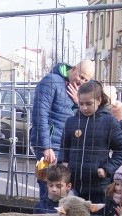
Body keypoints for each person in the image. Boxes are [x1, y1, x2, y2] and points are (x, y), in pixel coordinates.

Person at [31, 59, 95, 200]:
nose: (81, 81)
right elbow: (39, 115)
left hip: (66, 149)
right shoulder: (51, 81)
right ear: (73, 69)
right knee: (48, 191)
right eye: (81, 76)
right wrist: (45, 146)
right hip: (49, 148)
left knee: (63, 193)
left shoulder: (77, 91)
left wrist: (78, 103)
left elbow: (84, 119)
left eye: (86, 79)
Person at [61, 80, 122, 204]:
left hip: (98, 188)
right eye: (81, 104)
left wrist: (107, 169)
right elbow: (64, 148)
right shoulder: (71, 121)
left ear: (98, 100)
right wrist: (64, 164)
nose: (84, 108)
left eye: (89, 103)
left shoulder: (109, 121)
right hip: (74, 187)